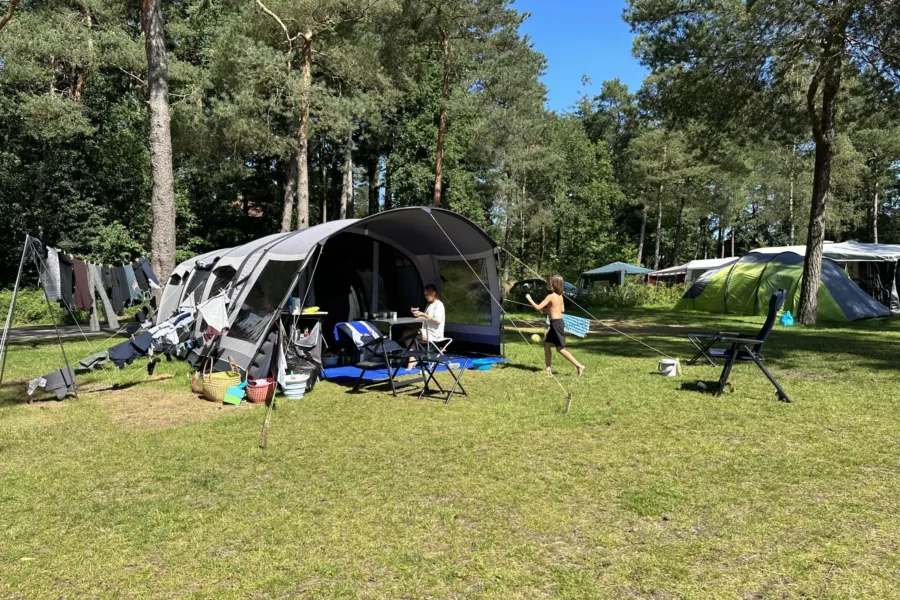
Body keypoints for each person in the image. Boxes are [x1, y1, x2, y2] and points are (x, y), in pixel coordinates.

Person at [527, 275, 585, 377]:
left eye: (549, 283)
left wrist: (529, 298)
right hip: (558, 322)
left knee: (560, 349)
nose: (548, 284)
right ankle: (548, 369)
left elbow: (537, 307)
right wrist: (548, 309)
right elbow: (562, 310)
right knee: (546, 345)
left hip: (556, 324)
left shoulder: (550, 296)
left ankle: (579, 366)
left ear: (553, 285)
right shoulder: (560, 296)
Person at [404, 284, 446, 367]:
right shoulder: (428, 305)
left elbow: (437, 321)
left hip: (434, 333)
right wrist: (420, 316)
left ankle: (413, 358)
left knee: (409, 335)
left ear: (434, 293)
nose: (426, 296)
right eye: (425, 294)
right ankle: (413, 356)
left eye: (428, 294)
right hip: (426, 330)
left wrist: (424, 315)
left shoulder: (439, 305)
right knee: (406, 332)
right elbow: (427, 319)